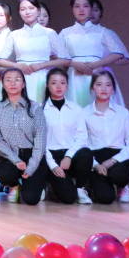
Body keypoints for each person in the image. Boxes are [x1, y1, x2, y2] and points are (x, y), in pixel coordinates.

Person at [59, 0, 129, 108]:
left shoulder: (102, 31)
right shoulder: (65, 32)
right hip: (75, 75)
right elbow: (56, 55)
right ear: (72, 9)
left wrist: (95, 65)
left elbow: (118, 53)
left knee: (99, 108)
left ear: (91, 8)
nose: (81, 10)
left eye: (85, 6)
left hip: (97, 74)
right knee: (76, 108)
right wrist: (74, 64)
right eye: (77, 6)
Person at [0, 67, 49, 204]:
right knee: (5, 174)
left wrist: (31, 166)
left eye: (17, 79)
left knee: (31, 199)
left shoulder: (35, 108)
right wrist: (16, 160)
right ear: (3, 84)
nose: (13, 83)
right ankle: (14, 185)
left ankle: (38, 184)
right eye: (8, 80)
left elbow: (40, 140)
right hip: (10, 155)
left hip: (32, 155)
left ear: (23, 84)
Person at [0, 0, 71, 104]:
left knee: (42, 108)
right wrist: (17, 66)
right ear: (19, 12)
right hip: (21, 78)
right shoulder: (14, 34)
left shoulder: (49, 33)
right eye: (23, 9)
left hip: (43, 77)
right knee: (22, 108)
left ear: (38, 10)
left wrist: (42, 65)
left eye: (31, 8)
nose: (27, 12)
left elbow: (66, 60)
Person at [83, 71, 129, 204]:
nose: (103, 88)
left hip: (118, 156)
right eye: (99, 84)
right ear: (92, 88)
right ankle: (93, 184)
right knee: (105, 198)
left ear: (113, 89)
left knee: (118, 175)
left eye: (108, 85)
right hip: (96, 157)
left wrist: (112, 161)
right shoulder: (84, 113)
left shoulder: (123, 113)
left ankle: (122, 186)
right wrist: (96, 165)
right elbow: (82, 143)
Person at [42, 68, 93, 204]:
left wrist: (69, 156)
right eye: (54, 83)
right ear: (47, 85)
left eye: (62, 83)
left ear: (67, 85)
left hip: (71, 155)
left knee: (86, 153)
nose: (59, 86)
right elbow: (39, 142)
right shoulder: (40, 110)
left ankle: (81, 189)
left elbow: (82, 137)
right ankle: (50, 184)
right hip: (51, 156)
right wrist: (53, 165)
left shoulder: (76, 109)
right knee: (68, 198)